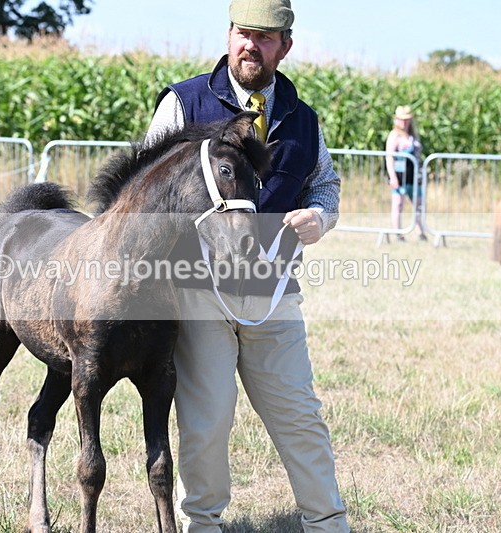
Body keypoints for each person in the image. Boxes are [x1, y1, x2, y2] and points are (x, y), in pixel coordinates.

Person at [145, 1, 350, 531]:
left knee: (300, 417)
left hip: (274, 292)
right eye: (242, 33)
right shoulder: (183, 104)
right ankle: (203, 525)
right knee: (207, 421)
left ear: (284, 46)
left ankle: (328, 524)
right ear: (229, 34)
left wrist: (320, 218)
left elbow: (326, 185)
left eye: (264, 37)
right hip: (198, 295)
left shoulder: (303, 121)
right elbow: (144, 191)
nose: (250, 46)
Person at [385, 105, 427, 241]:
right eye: (401, 119)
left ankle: (419, 231)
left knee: (418, 204)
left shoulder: (413, 136)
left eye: (406, 119)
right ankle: (398, 233)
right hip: (400, 176)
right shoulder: (394, 136)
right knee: (398, 204)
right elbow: (389, 157)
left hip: (413, 175)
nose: (404, 122)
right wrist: (392, 177)